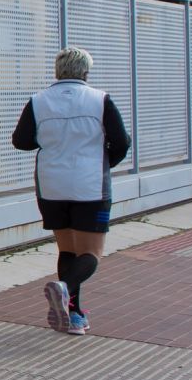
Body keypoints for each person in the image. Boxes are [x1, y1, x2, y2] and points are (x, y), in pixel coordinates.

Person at [11, 46, 131, 336]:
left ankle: (73, 315)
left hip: (51, 185)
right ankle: (63, 288)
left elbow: (21, 141)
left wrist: (52, 139)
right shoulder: (100, 100)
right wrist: (104, 163)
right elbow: (122, 142)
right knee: (91, 253)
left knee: (67, 248)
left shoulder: (38, 101)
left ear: (57, 71)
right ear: (86, 72)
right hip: (90, 187)